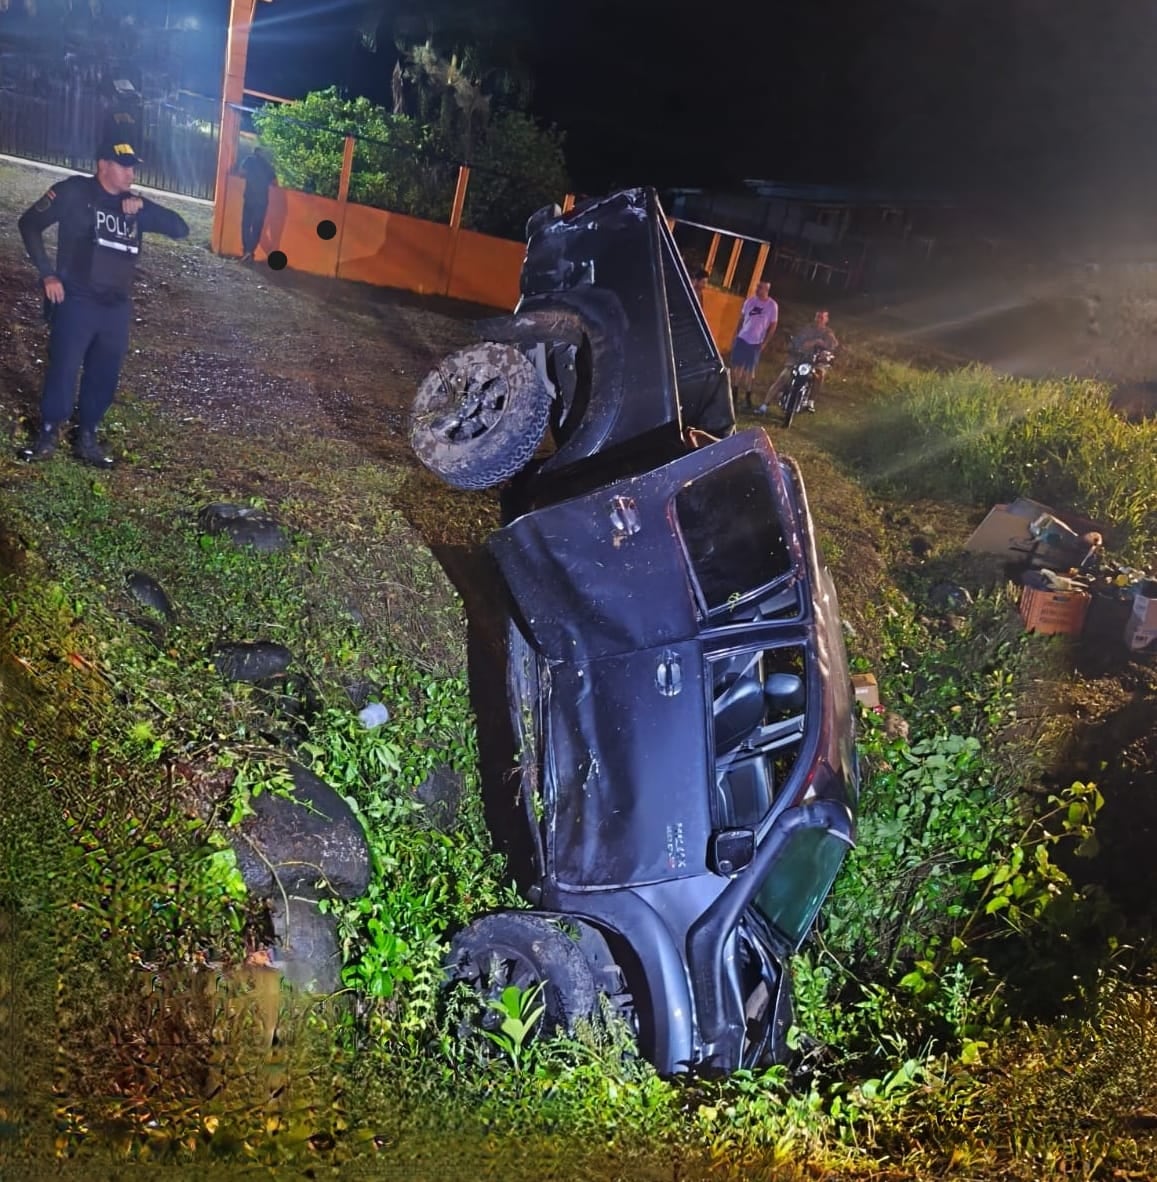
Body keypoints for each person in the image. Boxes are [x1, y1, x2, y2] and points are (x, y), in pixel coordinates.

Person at [17, 136, 190, 466]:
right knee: (64, 368)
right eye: (124, 167)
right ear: (103, 166)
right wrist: (47, 274)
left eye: (133, 168)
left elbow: (181, 229)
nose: (131, 174)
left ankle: (87, 436)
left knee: (104, 373)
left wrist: (145, 206)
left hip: (115, 307)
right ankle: (48, 434)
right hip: (77, 300)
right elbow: (29, 223)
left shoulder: (133, 205)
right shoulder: (73, 193)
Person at [757, 308, 839, 415]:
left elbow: (833, 346)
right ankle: (764, 405)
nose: (818, 319)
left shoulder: (828, 333)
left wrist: (823, 349)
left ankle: (810, 402)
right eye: (817, 316)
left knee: (820, 375)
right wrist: (797, 346)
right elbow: (796, 341)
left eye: (821, 317)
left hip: (816, 362)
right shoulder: (807, 329)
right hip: (799, 359)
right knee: (783, 377)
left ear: (826, 319)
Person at [730, 280, 778, 410]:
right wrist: (736, 334)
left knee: (749, 371)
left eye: (760, 288)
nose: (757, 289)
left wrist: (765, 342)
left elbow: (773, 326)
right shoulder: (750, 301)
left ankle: (747, 397)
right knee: (737, 368)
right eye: (757, 287)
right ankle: (734, 394)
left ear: (766, 290)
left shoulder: (772, 306)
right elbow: (741, 319)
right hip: (743, 338)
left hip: (756, 342)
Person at [239, 147, 276, 263]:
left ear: (254, 152)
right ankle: (250, 252)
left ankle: (246, 251)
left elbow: (241, 173)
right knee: (257, 227)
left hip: (249, 198)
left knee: (245, 225)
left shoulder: (249, 160)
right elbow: (275, 182)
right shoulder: (267, 165)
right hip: (262, 201)